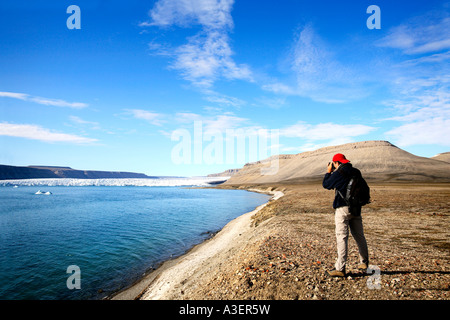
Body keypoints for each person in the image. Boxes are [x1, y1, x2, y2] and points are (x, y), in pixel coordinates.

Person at [322, 153, 369, 277]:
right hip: (356, 208)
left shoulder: (339, 173)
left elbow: (326, 184)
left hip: (342, 208)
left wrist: (328, 172)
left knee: (342, 237)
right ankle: (364, 262)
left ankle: (340, 268)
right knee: (359, 236)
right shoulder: (356, 172)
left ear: (336, 163)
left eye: (333, 164)